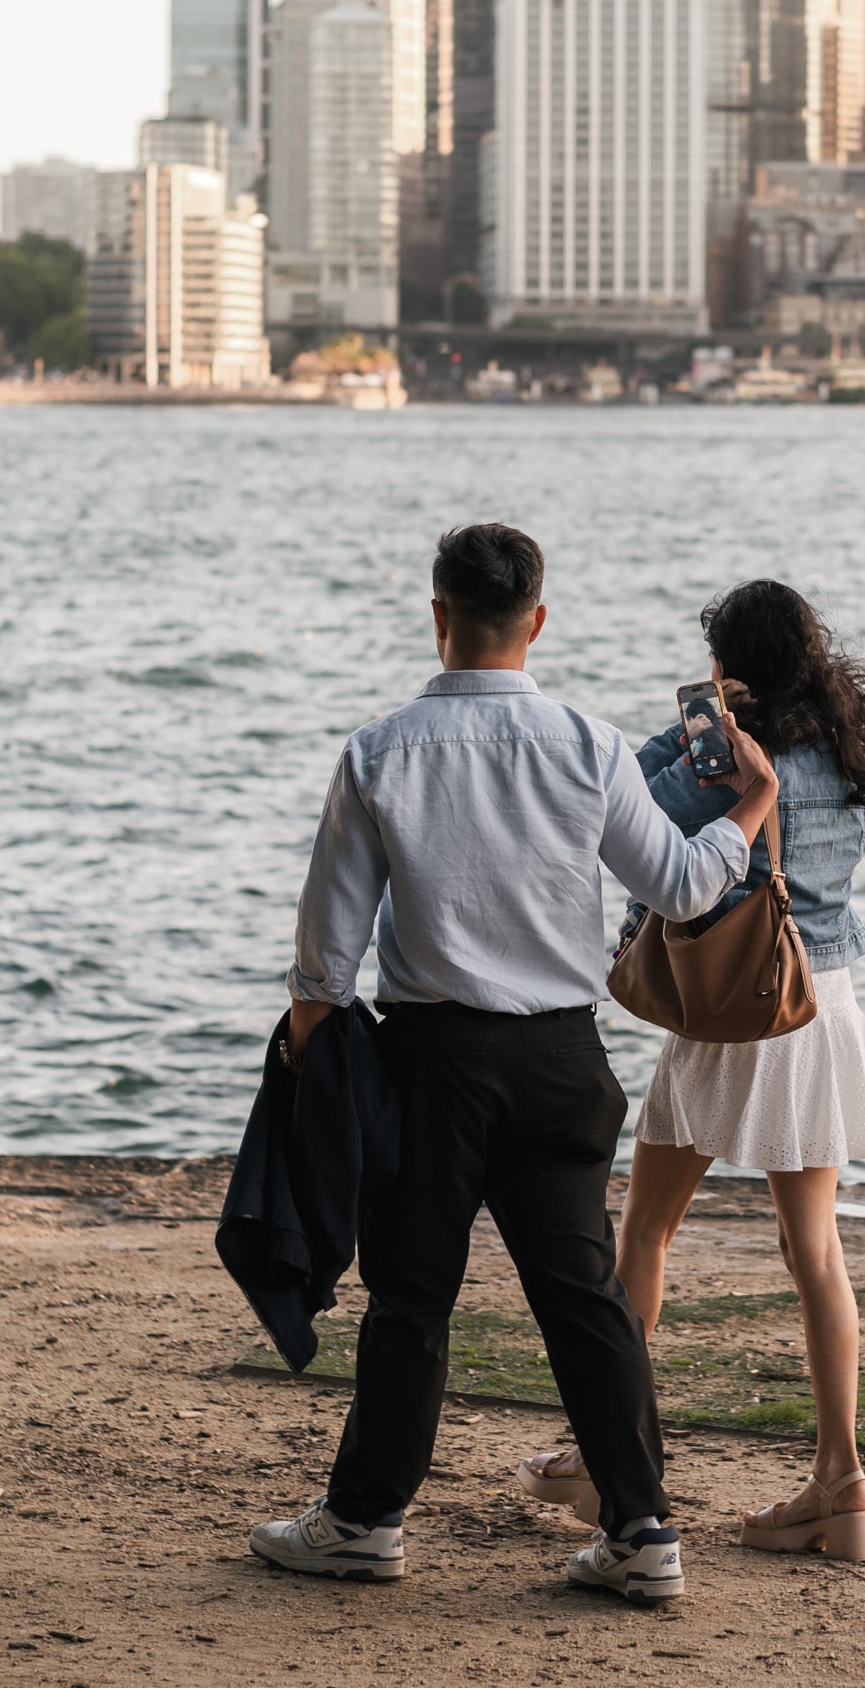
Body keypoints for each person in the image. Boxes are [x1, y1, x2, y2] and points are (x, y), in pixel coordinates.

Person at [249, 522, 780, 1607]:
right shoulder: (588, 744)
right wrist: (752, 803)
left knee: (411, 1298)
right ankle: (641, 1530)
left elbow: (324, 965)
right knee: (584, 1296)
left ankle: (365, 1521)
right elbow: (683, 888)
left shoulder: (379, 751)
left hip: (429, 1063)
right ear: (535, 620)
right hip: (557, 1057)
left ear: (437, 616)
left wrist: (314, 1083)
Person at [515, 579, 865, 1560]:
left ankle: (602, 1455)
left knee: (646, 1230)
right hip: (820, 999)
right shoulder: (843, 746)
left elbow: (624, 811)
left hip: (735, 1009)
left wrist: (693, 722)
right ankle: (842, 1483)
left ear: (732, 666)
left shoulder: (723, 757)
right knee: (815, 1251)